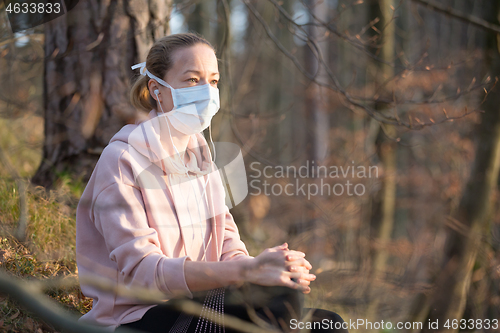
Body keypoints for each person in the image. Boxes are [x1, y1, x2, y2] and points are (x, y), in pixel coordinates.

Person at [76, 32, 347, 333]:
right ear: (157, 90)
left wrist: (271, 268)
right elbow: (145, 274)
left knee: (327, 324)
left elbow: (228, 247)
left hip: (201, 303)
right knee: (279, 306)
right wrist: (247, 270)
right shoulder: (122, 160)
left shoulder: (201, 159)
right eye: (192, 80)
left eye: (213, 81)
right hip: (140, 319)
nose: (206, 92)